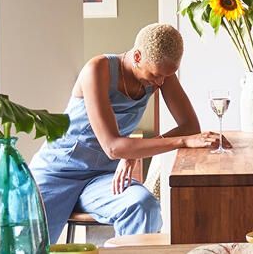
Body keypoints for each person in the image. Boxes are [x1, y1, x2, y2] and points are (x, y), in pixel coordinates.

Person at [36, 23, 221, 240]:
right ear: (137, 56)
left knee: (143, 206)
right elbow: (114, 147)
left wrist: (135, 152)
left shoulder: (162, 75)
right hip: (57, 172)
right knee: (25, 233)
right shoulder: (97, 69)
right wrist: (178, 142)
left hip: (105, 178)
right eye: (155, 75)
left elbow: (190, 126)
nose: (160, 82)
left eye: (166, 76)